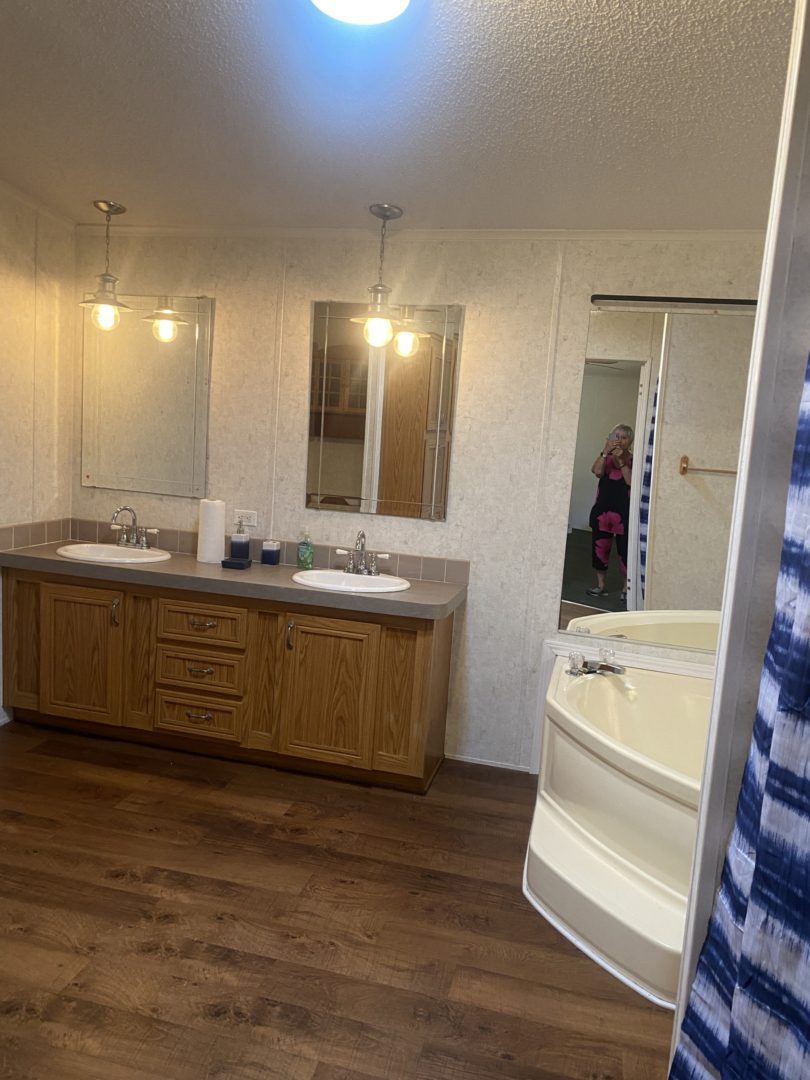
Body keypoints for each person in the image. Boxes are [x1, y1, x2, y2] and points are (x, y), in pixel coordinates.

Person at [587, 424, 633, 600]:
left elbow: (630, 481)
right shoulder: (605, 458)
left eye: (624, 437)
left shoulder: (633, 460)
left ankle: (625, 588)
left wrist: (621, 461)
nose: (620, 441)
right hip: (603, 511)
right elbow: (597, 472)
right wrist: (605, 453)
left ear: (630, 441)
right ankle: (601, 585)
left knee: (625, 551)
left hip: (624, 513)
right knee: (600, 549)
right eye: (616, 436)